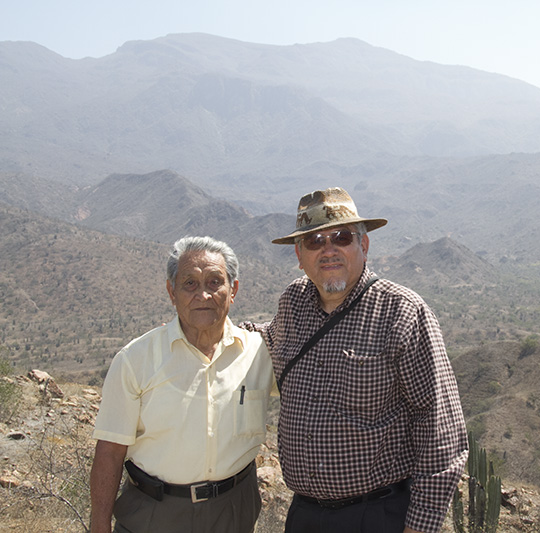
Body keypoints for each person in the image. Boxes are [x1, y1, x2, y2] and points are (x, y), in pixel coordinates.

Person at [247, 187, 468, 533]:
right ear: (299, 254)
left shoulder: (401, 312)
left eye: (342, 237)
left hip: (377, 515)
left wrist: (419, 526)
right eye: (314, 240)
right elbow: (266, 340)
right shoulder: (293, 303)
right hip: (304, 515)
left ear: (363, 246)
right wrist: (210, 328)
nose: (328, 249)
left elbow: (440, 427)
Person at [89, 236, 276, 533]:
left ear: (233, 290)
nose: (203, 295)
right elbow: (110, 452)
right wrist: (99, 526)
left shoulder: (259, 353)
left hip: (235, 510)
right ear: (171, 291)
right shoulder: (135, 360)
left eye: (215, 282)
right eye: (189, 283)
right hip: (154, 514)